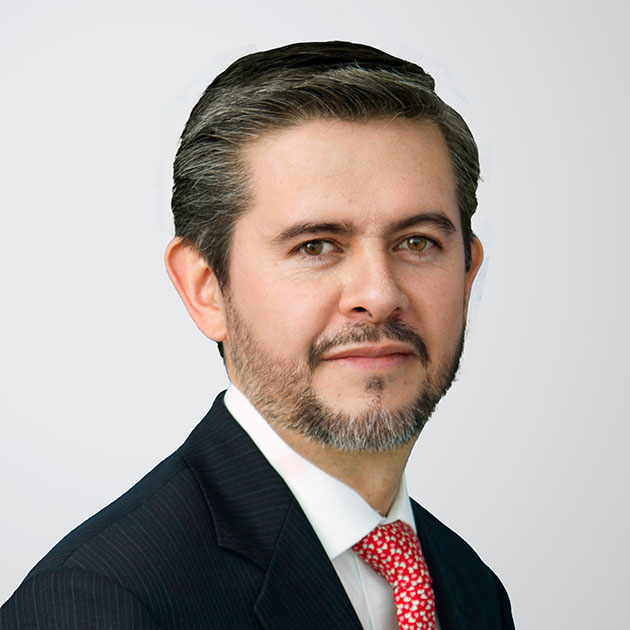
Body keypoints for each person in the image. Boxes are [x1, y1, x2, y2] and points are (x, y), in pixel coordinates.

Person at [0, 41, 515, 629]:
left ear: (468, 272)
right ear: (206, 289)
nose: (378, 294)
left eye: (417, 242)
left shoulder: (469, 588)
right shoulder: (94, 604)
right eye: (316, 246)